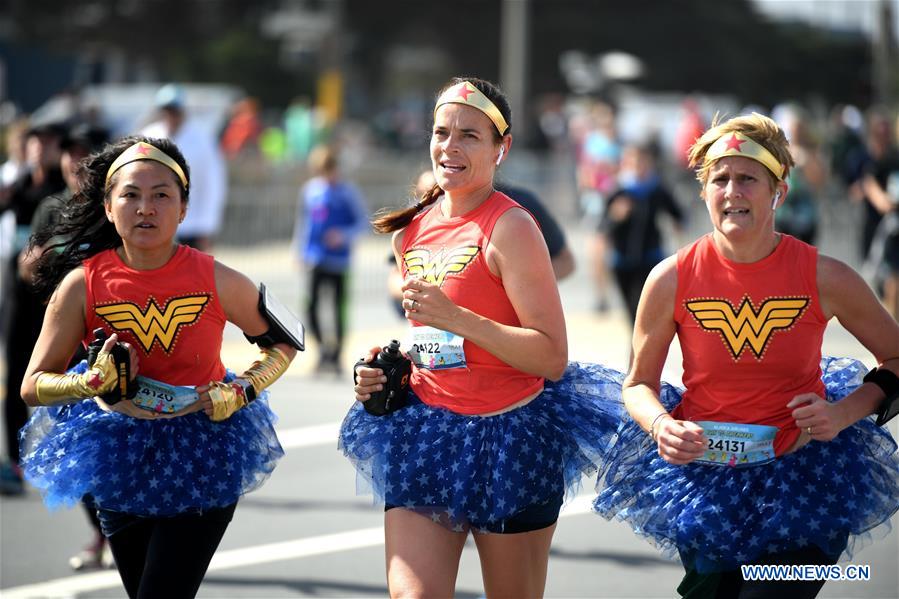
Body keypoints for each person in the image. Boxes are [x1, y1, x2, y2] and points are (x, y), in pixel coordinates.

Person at [593, 113, 899, 598]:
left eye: (748, 179)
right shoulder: (670, 278)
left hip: (804, 483)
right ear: (704, 192)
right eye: (721, 179)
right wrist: (660, 425)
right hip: (708, 484)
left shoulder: (826, 276)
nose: (733, 191)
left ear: (778, 190)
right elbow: (637, 385)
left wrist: (843, 413)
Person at [341, 77, 617, 598]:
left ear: (501, 148)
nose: (451, 146)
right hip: (426, 431)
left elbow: (552, 357)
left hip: (510, 436)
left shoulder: (513, 227)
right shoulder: (411, 229)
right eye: (442, 131)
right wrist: (387, 364)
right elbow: (429, 338)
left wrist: (457, 318)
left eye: (470, 135)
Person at [16, 136, 300, 598]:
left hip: (204, 448)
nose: (145, 208)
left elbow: (285, 342)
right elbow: (32, 385)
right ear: (109, 207)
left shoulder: (216, 277)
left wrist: (243, 390)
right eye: (130, 194)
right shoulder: (80, 286)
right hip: (117, 452)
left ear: (184, 208)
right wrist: (88, 382)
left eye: (161, 195)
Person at [388, 169, 576, 317]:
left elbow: (566, 261)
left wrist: (514, 285)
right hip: (435, 345)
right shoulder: (413, 225)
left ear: (499, 149)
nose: (433, 199)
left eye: (470, 136)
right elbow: (395, 276)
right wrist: (425, 294)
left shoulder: (521, 206)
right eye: (425, 193)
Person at [0, 121, 66, 496]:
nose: (40, 149)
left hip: (51, 295)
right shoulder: (18, 186)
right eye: (34, 143)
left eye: (48, 142)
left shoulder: (61, 192)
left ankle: (59, 451)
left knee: (54, 374)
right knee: (15, 377)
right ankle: (15, 459)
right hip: (16, 291)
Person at [293, 145, 368, 373]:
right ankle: (322, 351)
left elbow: (363, 223)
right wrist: (298, 250)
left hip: (339, 261)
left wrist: (343, 236)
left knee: (337, 310)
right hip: (315, 259)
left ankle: (336, 356)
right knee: (311, 307)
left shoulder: (348, 192)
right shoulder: (310, 191)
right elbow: (304, 222)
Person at [600, 143, 684, 326]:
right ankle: (635, 349)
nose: (637, 164)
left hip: (650, 259)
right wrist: (615, 217)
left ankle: (644, 349)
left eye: (641, 160)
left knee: (646, 312)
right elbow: (602, 227)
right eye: (632, 160)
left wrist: (680, 242)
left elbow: (679, 215)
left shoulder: (656, 189)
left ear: (649, 162)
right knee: (631, 312)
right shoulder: (617, 190)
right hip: (622, 261)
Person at [141, 84, 228, 253]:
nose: (170, 115)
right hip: (156, 219)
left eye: (174, 110)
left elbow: (213, 183)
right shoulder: (149, 136)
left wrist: (207, 225)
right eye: (166, 110)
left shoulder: (202, 139)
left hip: (193, 223)